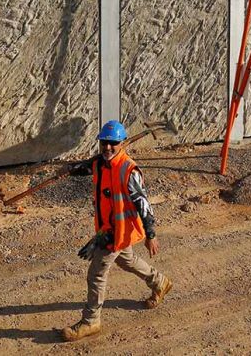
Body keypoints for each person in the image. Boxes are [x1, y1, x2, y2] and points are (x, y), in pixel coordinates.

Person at [60, 120, 173, 342]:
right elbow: (88, 167)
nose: (107, 148)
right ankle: (159, 282)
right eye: (104, 143)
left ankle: (91, 321)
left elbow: (143, 203)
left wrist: (151, 234)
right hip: (109, 229)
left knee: (96, 274)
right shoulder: (101, 163)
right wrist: (70, 170)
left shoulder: (129, 170)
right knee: (127, 260)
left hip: (117, 232)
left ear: (122, 143)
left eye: (113, 144)